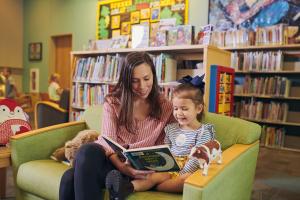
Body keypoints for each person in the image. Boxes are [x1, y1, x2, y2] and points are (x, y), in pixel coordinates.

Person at [59, 52, 174, 200]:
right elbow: (108, 140)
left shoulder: (166, 107)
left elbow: (164, 147)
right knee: (87, 150)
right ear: (126, 80)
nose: (142, 86)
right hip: (112, 162)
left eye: (146, 79)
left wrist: (140, 168)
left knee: (69, 178)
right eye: (134, 81)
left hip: (139, 169)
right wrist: (121, 166)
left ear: (153, 76)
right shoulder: (113, 102)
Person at [105, 75, 216, 196]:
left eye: (184, 109)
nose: (179, 113)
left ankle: (154, 187)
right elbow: (165, 149)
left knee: (186, 180)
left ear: (199, 108)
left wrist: (181, 172)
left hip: (189, 170)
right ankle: (126, 188)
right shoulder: (172, 128)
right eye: (175, 108)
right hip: (171, 167)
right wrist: (162, 165)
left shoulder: (203, 132)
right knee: (153, 176)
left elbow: (198, 157)